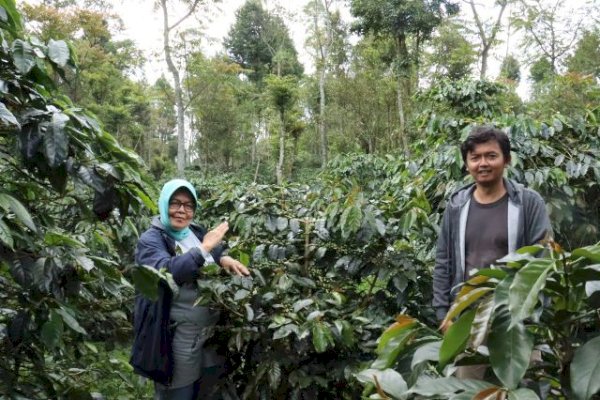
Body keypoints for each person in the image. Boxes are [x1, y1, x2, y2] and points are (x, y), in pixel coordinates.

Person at [131, 179, 249, 400]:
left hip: (208, 337)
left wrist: (223, 257)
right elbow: (166, 272)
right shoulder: (150, 240)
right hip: (175, 338)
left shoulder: (193, 230)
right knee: (179, 391)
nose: (181, 211)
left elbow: (211, 254)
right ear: (164, 204)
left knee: (206, 389)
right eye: (175, 203)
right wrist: (205, 247)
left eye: (188, 205)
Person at [433, 126, 552, 329]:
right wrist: (443, 314)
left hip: (516, 320)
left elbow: (543, 260)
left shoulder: (528, 203)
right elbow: (444, 260)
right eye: (475, 157)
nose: (483, 163)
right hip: (467, 320)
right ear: (466, 163)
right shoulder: (456, 206)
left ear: (507, 160)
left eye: (491, 156)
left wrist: (534, 317)